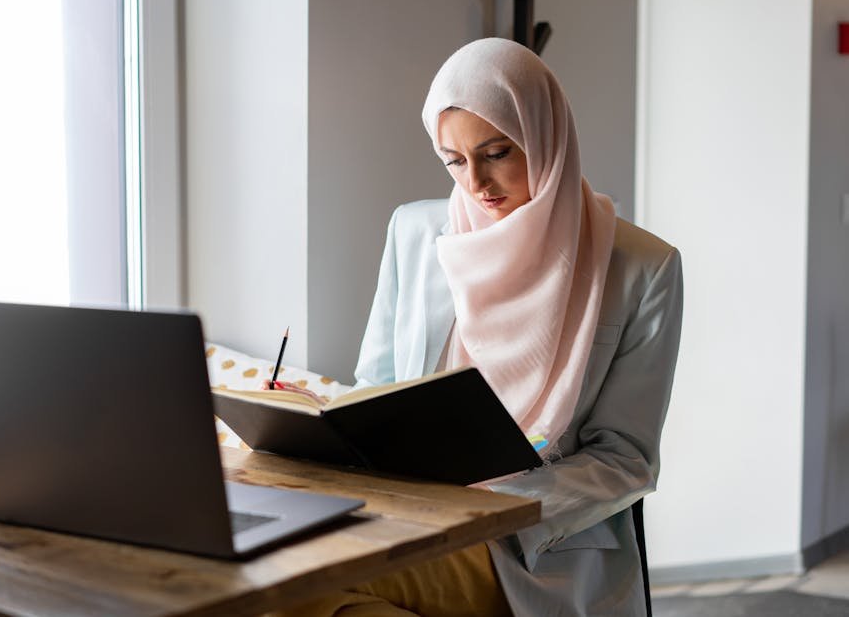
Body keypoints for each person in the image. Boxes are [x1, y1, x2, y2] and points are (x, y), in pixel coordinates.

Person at [270, 37, 683, 617]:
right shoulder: (417, 234)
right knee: (283, 586)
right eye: (454, 161)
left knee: (291, 590)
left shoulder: (641, 267)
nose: (477, 184)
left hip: (534, 547)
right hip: (403, 511)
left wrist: (492, 508)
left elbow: (625, 459)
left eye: (496, 153)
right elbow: (375, 389)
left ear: (545, 136)